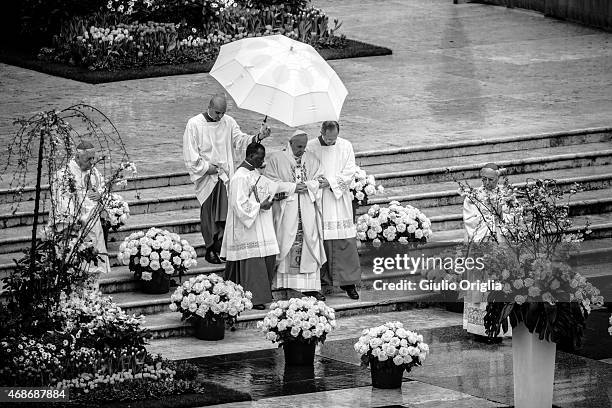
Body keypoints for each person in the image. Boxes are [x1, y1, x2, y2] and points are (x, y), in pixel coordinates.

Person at [183, 94, 270, 264]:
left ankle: (221, 247)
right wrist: (208, 168)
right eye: (217, 113)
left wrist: (259, 137)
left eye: (223, 113)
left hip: (226, 177)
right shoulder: (194, 124)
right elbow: (190, 154)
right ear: (209, 107)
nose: (220, 116)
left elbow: (240, 141)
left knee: (226, 213)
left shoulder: (228, 122)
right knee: (209, 213)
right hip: (207, 178)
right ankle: (209, 249)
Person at [221, 142, 294, 309]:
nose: (262, 161)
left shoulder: (254, 173)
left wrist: (273, 197)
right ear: (251, 156)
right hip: (248, 227)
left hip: (261, 223)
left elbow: (262, 191)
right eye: (260, 157)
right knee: (254, 260)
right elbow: (238, 205)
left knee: (267, 254)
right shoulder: (239, 177)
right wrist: (260, 206)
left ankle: (262, 294)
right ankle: (254, 297)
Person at [265, 130, 327, 301]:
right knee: (287, 241)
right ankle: (287, 283)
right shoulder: (277, 159)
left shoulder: (311, 158)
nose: (302, 150)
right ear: (290, 143)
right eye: (299, 146)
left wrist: (308, 186)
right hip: (288, 210)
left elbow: (320, 179)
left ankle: (308, 287)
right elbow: (269, 183)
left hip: (307, 208)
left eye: (304, 146)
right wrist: (292, 188)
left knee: (309, 242)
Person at [306, 121, 361, 300]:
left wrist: (330, 182)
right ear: (321, 132)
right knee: (319, 241)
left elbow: (350, 171)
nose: (330, 142)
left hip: (339, 200)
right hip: (320, 199)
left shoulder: (346, 146)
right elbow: (306, 170)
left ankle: (348, 283)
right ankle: (320, 282)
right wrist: (316, 182)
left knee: (344, 240)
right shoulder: (311, 147)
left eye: (333, 138)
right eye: (327, 138)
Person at [462, 162, 512, 342]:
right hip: (481, 245)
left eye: (491, 179)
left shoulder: (506, 195)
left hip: (499, 246)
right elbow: (470, 219)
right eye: (484, 179)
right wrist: (487, 229)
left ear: (498, 178)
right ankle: (478, 328)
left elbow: (512, 217)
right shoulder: (473, 196)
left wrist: (500, 218)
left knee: (497, 285)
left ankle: (497, 328)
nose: (487, 183)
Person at [48, 141, 111, 275]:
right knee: (74, 267)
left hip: (94, 227)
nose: (92, 162)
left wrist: (100, 195)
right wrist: (72, 223)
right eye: (89, 159)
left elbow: (102, 188)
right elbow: (61, 201)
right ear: (77, 157)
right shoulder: (63, 175)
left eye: (93, 158)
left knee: (93, 267)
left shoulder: (93, 172)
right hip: (75, 229)